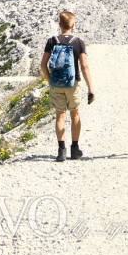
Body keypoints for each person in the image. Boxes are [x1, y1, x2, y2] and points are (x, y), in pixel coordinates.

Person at [40, 10, 95, 162]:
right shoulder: (78, 42)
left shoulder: (52, 41)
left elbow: (43, 64)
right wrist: (90, 88)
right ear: (73, 25)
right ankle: (75, 149)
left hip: (56, 83)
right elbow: (84, 66)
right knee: (75, 114)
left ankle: (61, 150)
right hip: (73, 83)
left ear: (59, 25)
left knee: (60, 115)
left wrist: (49, 79)